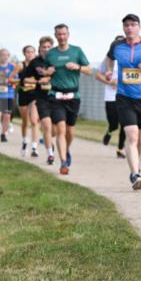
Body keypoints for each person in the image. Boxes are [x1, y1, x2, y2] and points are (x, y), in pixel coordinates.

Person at [104, 15, 141, 190]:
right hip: (124, 97)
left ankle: (137, 167)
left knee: (140, 138)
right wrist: (109, 71)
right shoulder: (116, 46)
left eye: (133, 25)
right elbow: (109, 58)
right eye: (126, 25)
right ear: (123, 28)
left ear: (139, 27)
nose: (129, 28)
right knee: (132, 135)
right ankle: (135, 174)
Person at [45, 23, 90, 175]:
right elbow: (45, 73)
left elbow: (89, 70)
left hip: (73, 96)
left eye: (64, 34)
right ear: (55, 36)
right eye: (59, 34)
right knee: (61, 129)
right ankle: (63, 162)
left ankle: (66, 148)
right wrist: (47, 72)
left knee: (70, 131)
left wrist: (78, 67)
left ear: (68, 35)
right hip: (56, 96)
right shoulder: (51, 54)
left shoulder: (77, 51)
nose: (62, 37)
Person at [18, 36, 56, 164]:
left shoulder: (57, 60)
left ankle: (49, 140)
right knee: (43, 124)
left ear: (52, 48)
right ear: (40, 48)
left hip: (56, 97)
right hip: (40, 97)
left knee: (56, 129)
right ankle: (49, 154)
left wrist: (49, 78)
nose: (46, 49)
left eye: (48, 47)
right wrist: (38, 81)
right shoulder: (35, 62)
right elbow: (23, 79)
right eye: (43, 47)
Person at [95, 37, 127, 159]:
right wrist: (109, 82)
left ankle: (120, 149)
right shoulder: (108, 60)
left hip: (125, 95)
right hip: (110, 97)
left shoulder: (129, 59)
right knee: (114, 124)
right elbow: (98, 75)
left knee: (125, 123)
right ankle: (109, 131)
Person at [13, 45, 41, 157]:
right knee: (25, 121)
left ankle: (34, 147)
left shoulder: (38, 65)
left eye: (32, 52)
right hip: (23, 95)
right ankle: (24, 142)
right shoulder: (20, 65)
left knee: (34, 121)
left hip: (35, 95)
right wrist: (22, 81)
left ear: (35, 53)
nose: (30, 54)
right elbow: (11, 79)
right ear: (24, 54)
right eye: (28, 52)